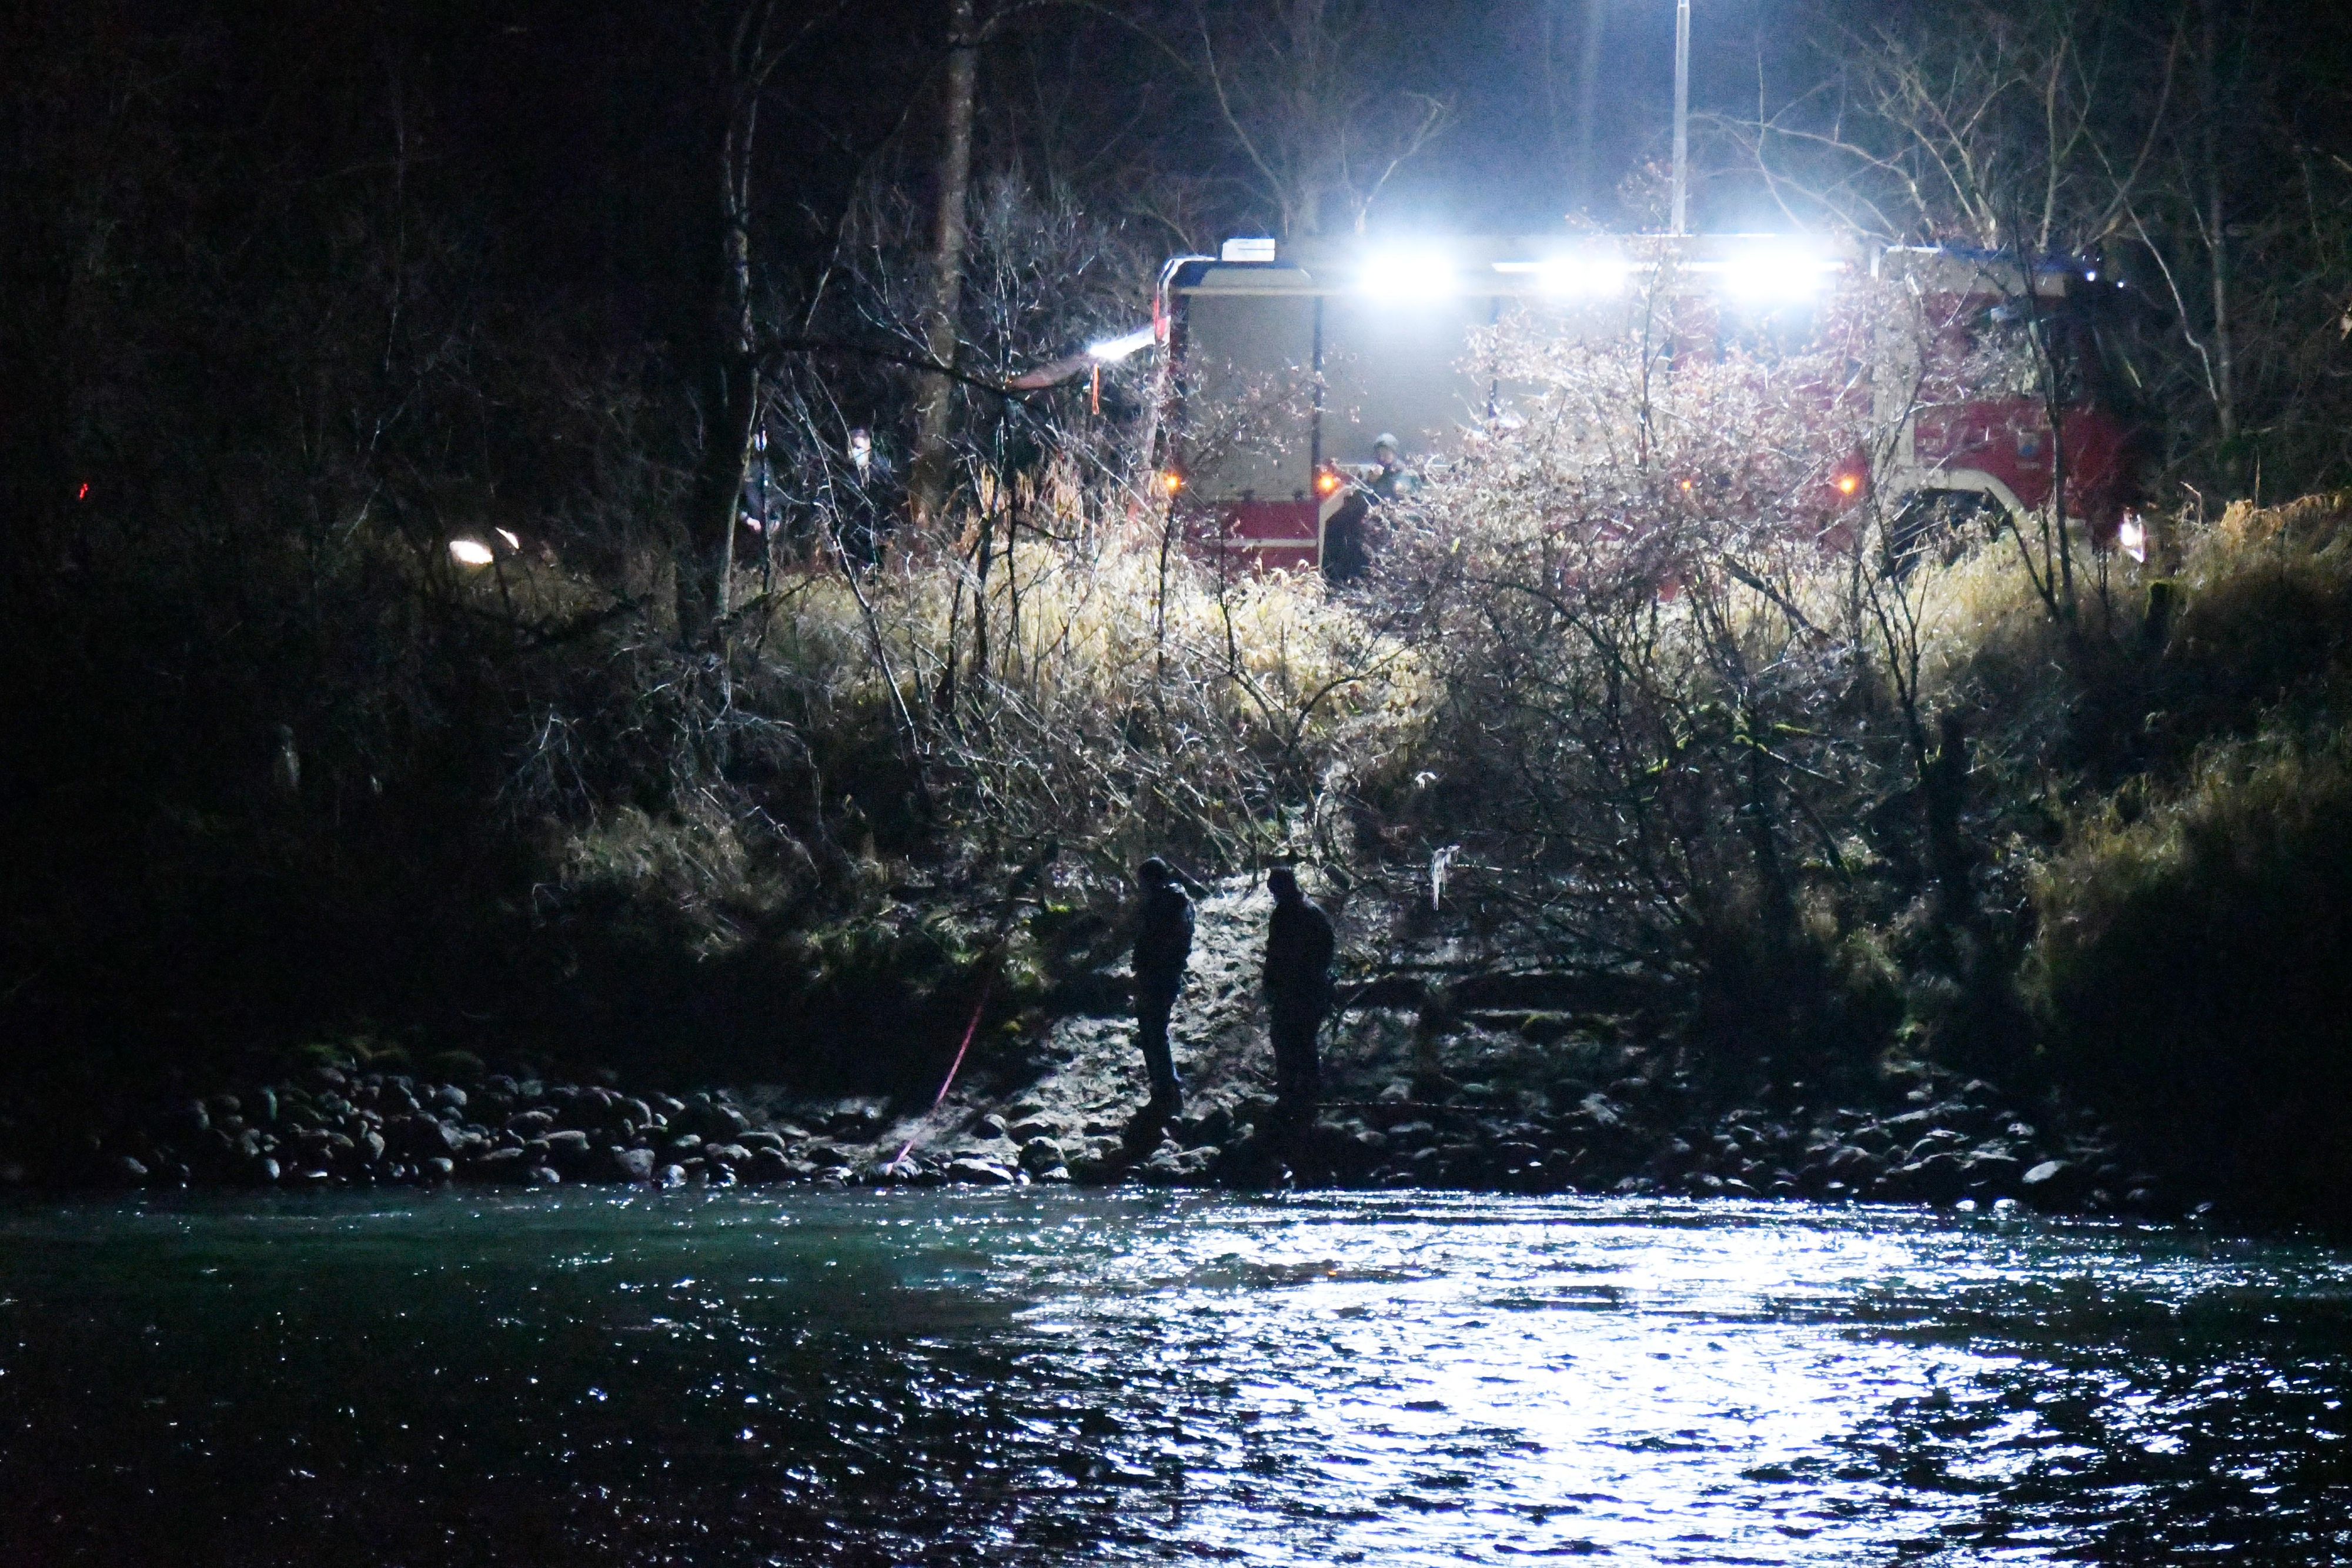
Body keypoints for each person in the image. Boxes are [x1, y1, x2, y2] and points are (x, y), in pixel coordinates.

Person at [1263, 865, 1335, 1120]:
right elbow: (1275, 954)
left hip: (1303, 989)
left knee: (1298, 1039)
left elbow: (1323, 953)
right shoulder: (1290, 912)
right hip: (1293, 989)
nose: (1272, 893)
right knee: (1288, 1039)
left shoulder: (1306, 913)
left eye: (1274, 888)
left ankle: (1304, 1095)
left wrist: (1306, 978)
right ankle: (1295, 1091)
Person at [1131, 857, 1194, 1115]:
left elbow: (1160, 943)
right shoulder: (1177, 902)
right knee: (1152, 1032)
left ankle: (1167, 1090)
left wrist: (1147, 965)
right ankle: (1163, 1088)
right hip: (1162, 974)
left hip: (1160, 976)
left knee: (1154, 1032)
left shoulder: (1167, 904)